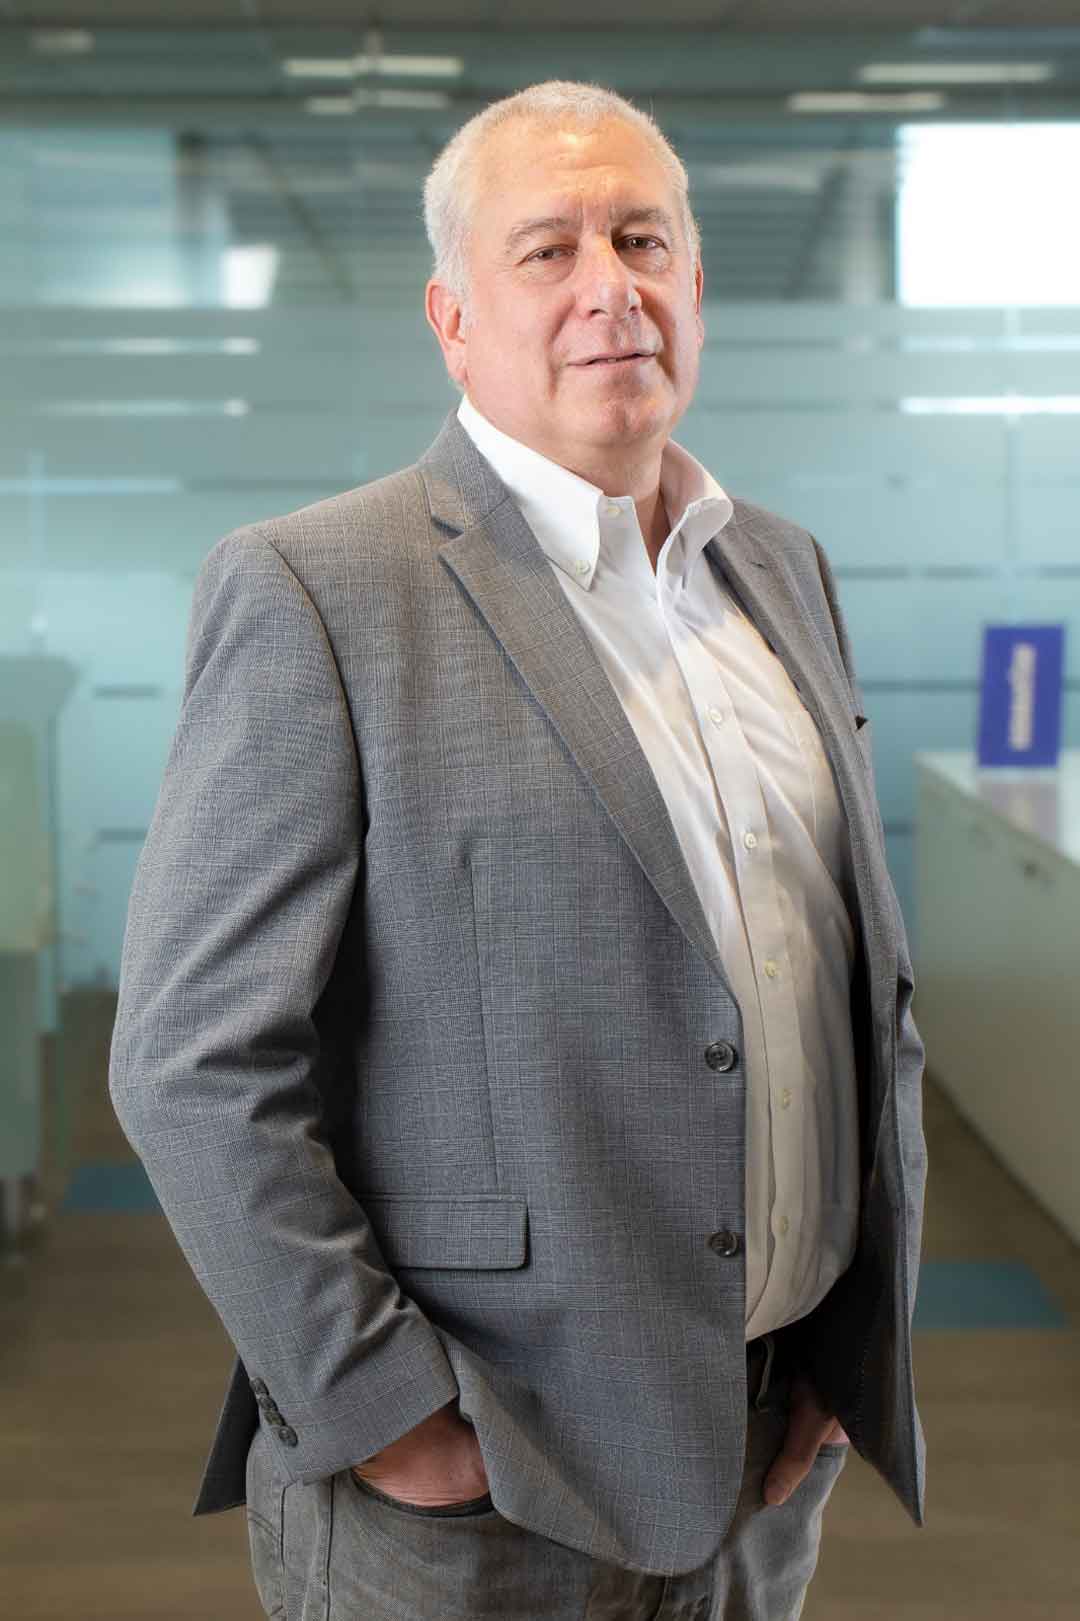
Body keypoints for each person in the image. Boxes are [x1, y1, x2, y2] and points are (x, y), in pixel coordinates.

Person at [109, 78, 927, 1621]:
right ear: (454, 319)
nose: (610, 285)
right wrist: (388, 1415)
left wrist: (850, 1345)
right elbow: (190, 1061)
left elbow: (842, 987)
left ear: (695, 286)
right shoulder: (319, 590)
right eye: (548, 249)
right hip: (485, 1490)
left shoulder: (782, 570)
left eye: (642, 240)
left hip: (764, 1455)